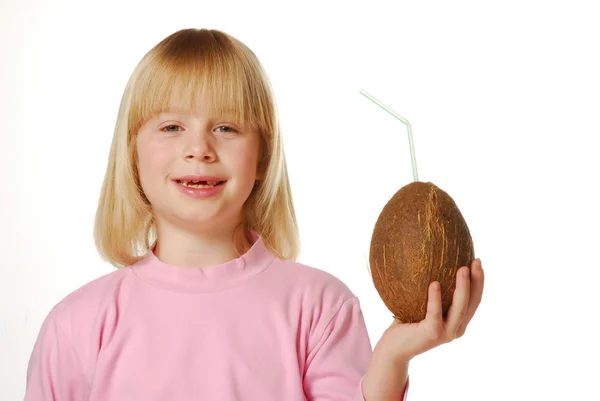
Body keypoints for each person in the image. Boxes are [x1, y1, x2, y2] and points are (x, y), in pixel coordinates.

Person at [24, 28, 484, 401]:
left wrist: (391, 359)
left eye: (226, 127)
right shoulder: (78, 325)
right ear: (133, 153)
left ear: (263, 156)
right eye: (171, 127)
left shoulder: (319, 307)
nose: (199, 149)